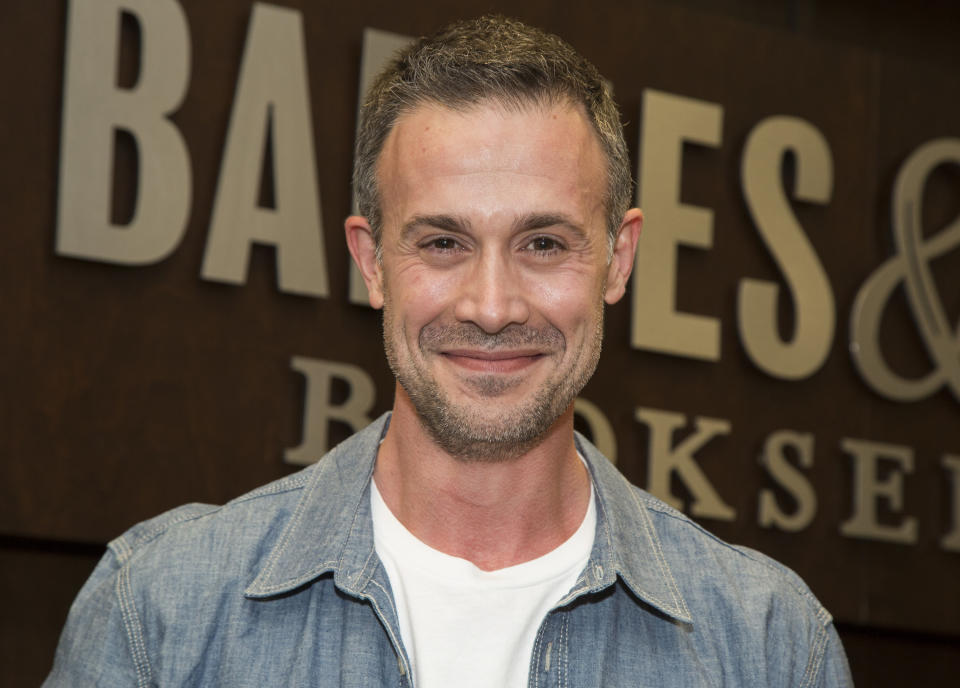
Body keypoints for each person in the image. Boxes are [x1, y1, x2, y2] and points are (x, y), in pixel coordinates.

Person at [45, 16, 853, 687]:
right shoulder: (161, 614)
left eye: (543, 242)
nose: (492, 307)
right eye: (442, 241)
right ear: (370, 262)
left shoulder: (768, 646)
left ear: (619, 257)